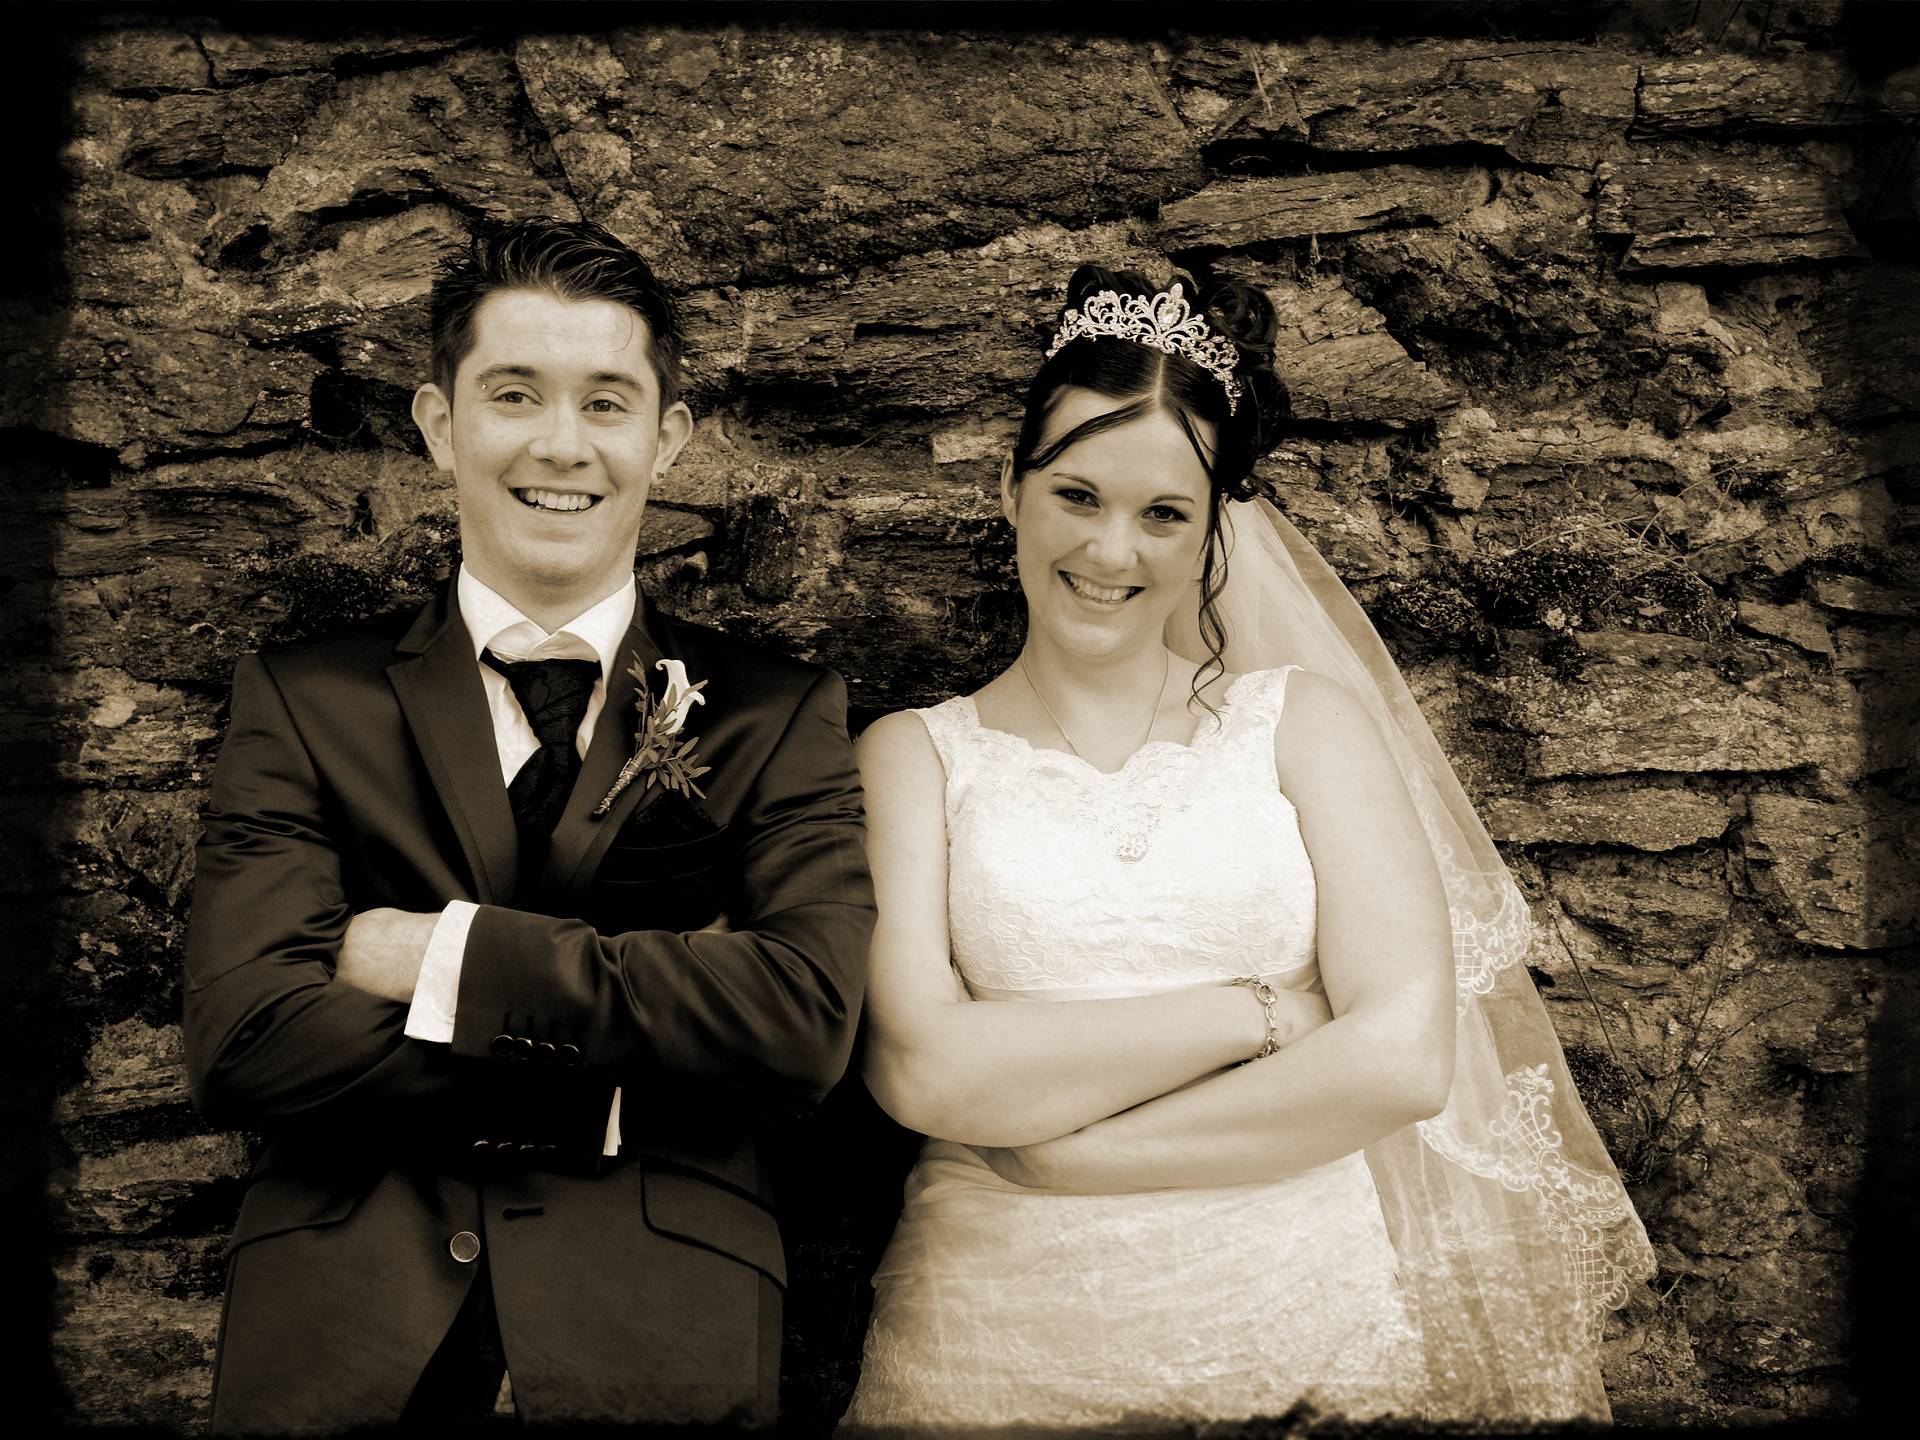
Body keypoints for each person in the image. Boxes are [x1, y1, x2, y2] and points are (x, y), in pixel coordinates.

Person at [840, 267, 1656, 1430]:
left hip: (1300, 1327)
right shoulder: (914, 758)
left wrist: (1080, 1157)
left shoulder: (1304, 726)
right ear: (1009, 490)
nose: (1111, 550)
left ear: (1213, 526)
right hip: (995, 1343)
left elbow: (1401, 1063)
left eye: (1164, 514)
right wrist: (1265, 1012)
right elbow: (925, 1073)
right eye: (1077, 495)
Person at [182, 218, 875, 1431]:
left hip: (659, 1334)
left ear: (666, 437)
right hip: (348, 1331)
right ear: (440, 422)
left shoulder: (774, 713)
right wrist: (616, 1084)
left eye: (606, 402)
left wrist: (441, 957)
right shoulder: (304, 698)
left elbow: (800, 1022)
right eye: (515, 394)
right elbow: (247, 1035)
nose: (563, 443)